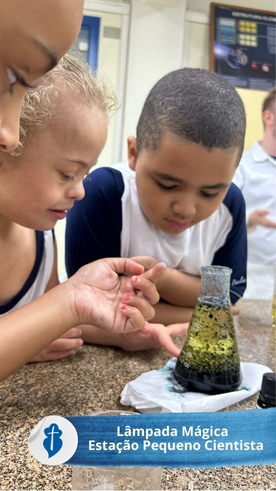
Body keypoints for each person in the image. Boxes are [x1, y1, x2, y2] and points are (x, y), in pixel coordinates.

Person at [0, 51, 166, 383]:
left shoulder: (41, 239)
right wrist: (24, 346)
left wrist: (121, 332)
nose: (80, 192)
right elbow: (48, 318)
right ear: (6, 143)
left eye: (84, 175)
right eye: (66, 174)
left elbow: (53, 321)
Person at [65, 68, 247, 350]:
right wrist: (206, 311)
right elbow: (88, 307)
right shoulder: (102, 194)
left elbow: (230, 295)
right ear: (134, 154)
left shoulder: (231, 205)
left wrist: (164, 280)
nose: (185, 209)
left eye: (210, 192)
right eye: (166, 185)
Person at [233, 88, 276, 299]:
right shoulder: (241, 167)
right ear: (269, 117)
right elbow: (219, 224)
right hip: (252, 282)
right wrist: (251, 220)